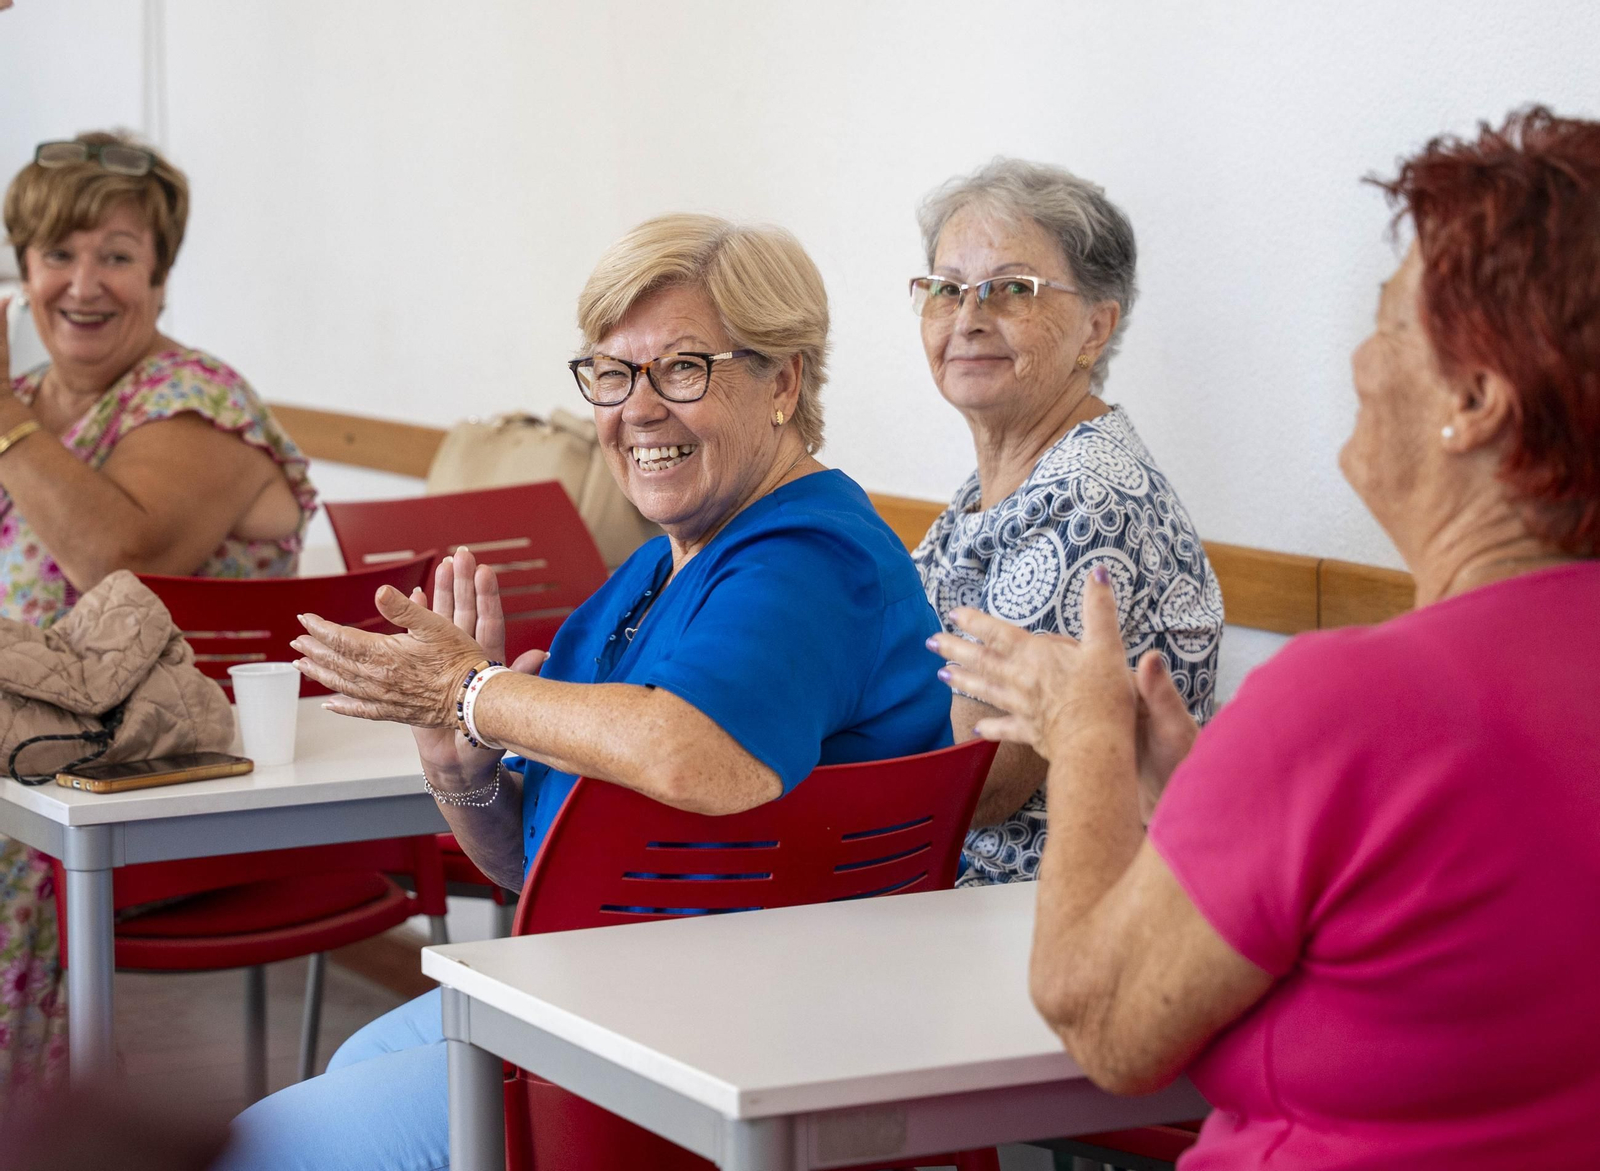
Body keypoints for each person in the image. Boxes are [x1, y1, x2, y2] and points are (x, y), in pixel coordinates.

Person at [931, 107, 1600, 1167]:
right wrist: (1198, 792)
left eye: (1386, 325)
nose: (1358, 360)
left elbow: (1100, 1021)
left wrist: (1090, 729)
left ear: (1473, 401)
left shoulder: (1355, 703)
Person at [219, 214, 953, 1170]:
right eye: (612, 373)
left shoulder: (807, 558)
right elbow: (541, 868)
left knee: (260, 1148)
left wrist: (470, 692)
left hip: (720, 1048)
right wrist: (463, 766)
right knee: (354, 1066)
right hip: (616, 997)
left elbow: (697, 754)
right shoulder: (655, 571)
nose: (637, 409)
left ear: (783, 383)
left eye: (683, 367)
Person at [0, 132, 316, 1095]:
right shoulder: (24, 402)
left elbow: (119, 562)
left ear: (162, 276)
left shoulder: (194, 401)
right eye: (59, 253)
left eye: (118, 255)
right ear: (23, 270)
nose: (84, 283)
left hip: (164, 793)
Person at [911, 158, 1221, 886]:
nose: (968, 317)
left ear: (1096, 327)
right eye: (946, 289)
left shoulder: (1084, 500)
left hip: (1040, 916)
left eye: (1012, 288)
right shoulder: (1003, 482)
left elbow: (979, 781)